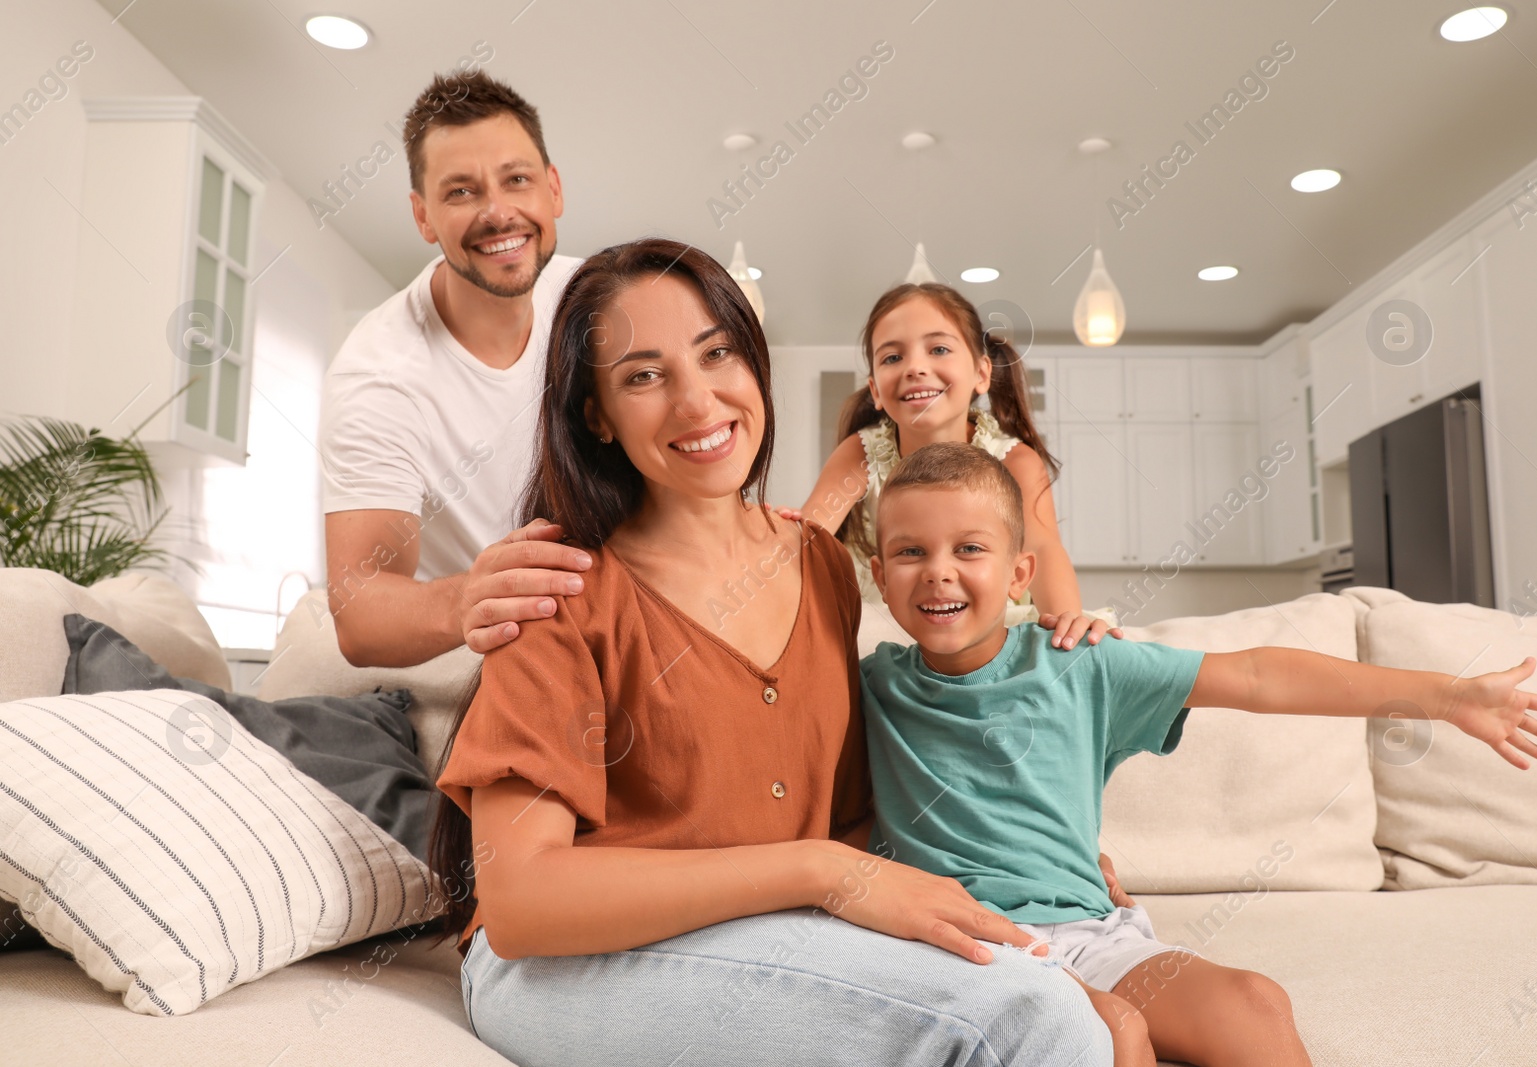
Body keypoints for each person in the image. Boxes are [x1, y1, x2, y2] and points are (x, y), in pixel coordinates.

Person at [429, 238, 1119, 1067]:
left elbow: (858, 819)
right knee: (1032, 1022)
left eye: (717, 353)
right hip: (560, 965)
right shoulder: (556, 588)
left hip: (772, 935)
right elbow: (524, 902)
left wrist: (1041, 857)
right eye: (643, 375)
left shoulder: (823, 563)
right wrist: (819, 872)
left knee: (1063, 1002)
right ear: (596, 415)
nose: (696, 401)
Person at [858, 441, 1537, 1067]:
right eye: (910, 551)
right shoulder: (869, 685)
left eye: (969, 548)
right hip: (970, 943)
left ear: (1020, 572)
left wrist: (1449, 697)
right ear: (879, 572)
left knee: (1256, 1003)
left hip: (1091, 931)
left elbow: (1260, 676)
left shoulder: (1079, 661)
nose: (938, 572)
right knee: (1115, 1029)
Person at [318, 70, 591, 668]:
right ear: (423, 217)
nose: (498, 213)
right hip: (488, 656)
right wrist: (478, 594)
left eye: (516, 180)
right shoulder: (379, 374)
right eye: (461, 192)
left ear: (553, 190)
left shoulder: (596, 299)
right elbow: (360, 612)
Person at [799, 282, 1086, 619]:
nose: (914, 368)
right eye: (892, 357)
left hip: (986, 627)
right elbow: (808, 537)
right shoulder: (862, 453)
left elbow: (1043, 547)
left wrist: (1067, 624)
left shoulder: (1014, 460)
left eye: (938, 349)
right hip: (890, 626)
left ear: (981, 374)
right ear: (875, 390)